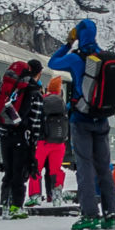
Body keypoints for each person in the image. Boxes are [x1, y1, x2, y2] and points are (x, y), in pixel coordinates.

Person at [48, 19, 115, 230]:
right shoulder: (104, 56)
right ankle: (110, 215)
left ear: (79, 35)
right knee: (104, 168)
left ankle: (89, 214)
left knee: (85, 167)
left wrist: (68, 43)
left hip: (81, 118)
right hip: (101, 119)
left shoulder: (76, 58)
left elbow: (52, 63)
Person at [0, 59, 44, 218]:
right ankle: (16, 207)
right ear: (38, 73)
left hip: (5, 133)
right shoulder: (35, 93)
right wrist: (33, 143)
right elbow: (35, 121)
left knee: (9, 170)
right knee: (19, 172)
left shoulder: (13, 89)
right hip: (22, 137)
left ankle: (5, 205)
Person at [34, 75, 70, 203]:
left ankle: (35, 196)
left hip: (43, 142)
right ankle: (56, 195)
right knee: (56, 170)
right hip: (59, 143)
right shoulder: (62, 103)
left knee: (36, 168)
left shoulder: (43, 100)